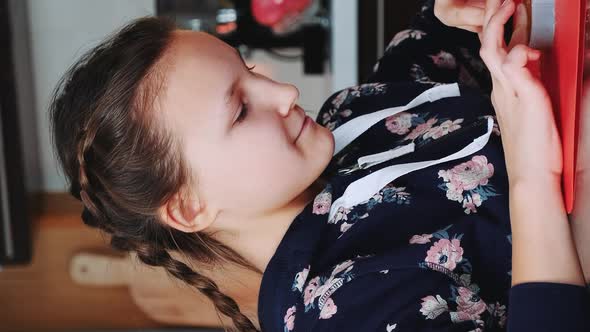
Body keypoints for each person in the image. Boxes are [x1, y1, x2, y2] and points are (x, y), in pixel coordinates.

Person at [48, 0, 590, 331]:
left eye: (248, 67)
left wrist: (453, 16)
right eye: (240, 110)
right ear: (189, 207)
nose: (283, 93)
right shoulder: (337, 310)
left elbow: (434, 43)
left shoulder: (341, 119)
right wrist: (532, 180)